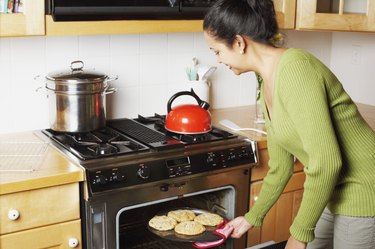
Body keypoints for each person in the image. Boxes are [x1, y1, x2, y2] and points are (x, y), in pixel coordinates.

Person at [203, 0, 375, 249]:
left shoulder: (296, 69)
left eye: (217, 51)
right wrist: (252, 217)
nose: (218, 60)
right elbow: (281, 166)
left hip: (364, 191)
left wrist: (299, 234)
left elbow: (327, 162)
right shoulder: (265, 82)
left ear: (239, 43)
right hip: (332, 193)